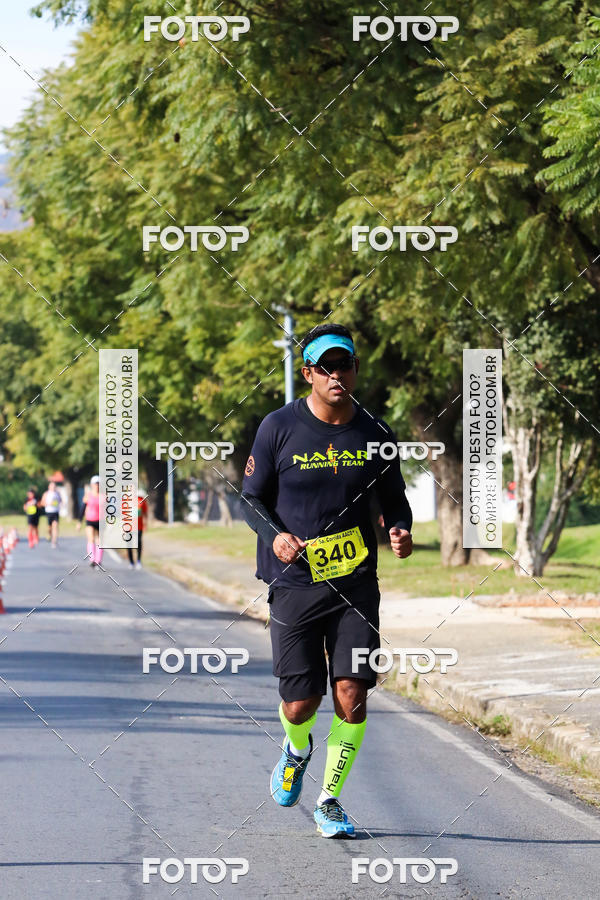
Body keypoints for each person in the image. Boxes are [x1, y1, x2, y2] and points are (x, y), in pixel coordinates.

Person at [241, 323, 413, 838]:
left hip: (356, 583)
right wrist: (275, 535)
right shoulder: (278, 427)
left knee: (351, 691)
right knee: (301, 702)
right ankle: (296, 749)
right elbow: (250, 497)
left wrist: (400, 527)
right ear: (309, 373)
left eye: (346, 365)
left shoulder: (377, 435)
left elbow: (396, 497)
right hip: (294, 581)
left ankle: (330, 799)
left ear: (356, 369)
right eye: (327, 367)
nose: (338, 374)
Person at [78, 476, 103, 568]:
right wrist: (79, 522)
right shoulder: (88, 495)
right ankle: (92, 559)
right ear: (92, 485)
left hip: (101, 520)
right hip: (90, 520)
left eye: (98, 484)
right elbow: (82, 508)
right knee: (91, 539)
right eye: (95, 484)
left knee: (100, 541)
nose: (97, 486)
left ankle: (98, 560)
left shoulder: (104, 496)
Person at [127, 490, 148, 569]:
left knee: (138, 543)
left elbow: (145, 512)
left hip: (139, 526)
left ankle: (139, 561)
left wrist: (146, 524)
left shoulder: (141, 500)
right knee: (129, 544)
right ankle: (131, 562)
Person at [41, 480, 61, 548]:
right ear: (49, 487)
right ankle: (49, 534)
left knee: (55, 526)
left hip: (56, 512)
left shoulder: (57, 493)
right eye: (52, 486)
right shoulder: (46, 494)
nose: (53, 487)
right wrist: (49, 504)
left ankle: (54, 541)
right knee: (49, 528)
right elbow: (42, 503)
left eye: (54, 486)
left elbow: (60, 501)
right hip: (49, 512)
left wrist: (60, 504)